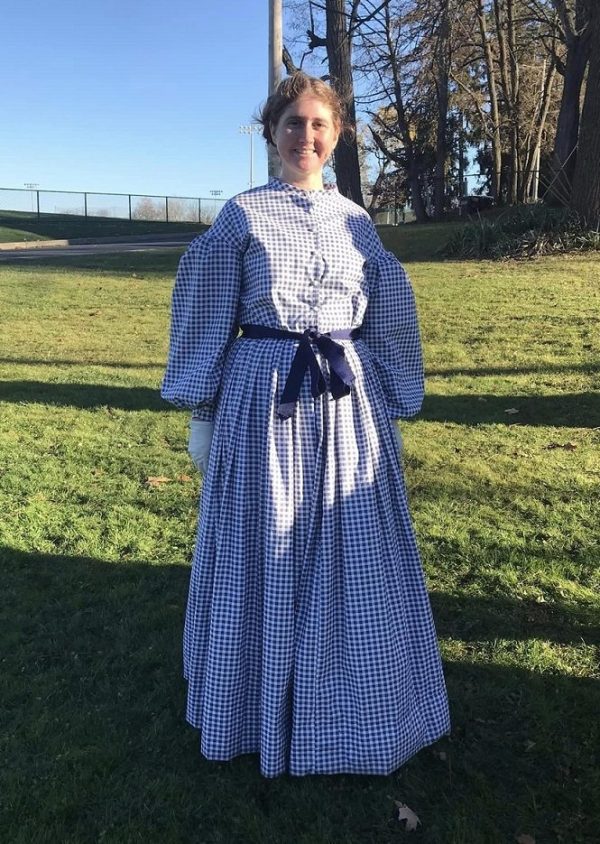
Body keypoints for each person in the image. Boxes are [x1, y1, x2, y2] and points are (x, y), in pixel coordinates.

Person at [161, 71, 450, 778]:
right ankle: (257, 705)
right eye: (293, 123)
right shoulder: (242, 215)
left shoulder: (358, 221)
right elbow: (206, 313)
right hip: (263, 406)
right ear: (272, 133)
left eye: (319, 125)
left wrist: (391, 402)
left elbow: (385, 316)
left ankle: (353, 710)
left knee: (348, 558)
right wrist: (204, 411)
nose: (306, 137)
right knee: (265, 550)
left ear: (338, 135)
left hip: (347, 411)